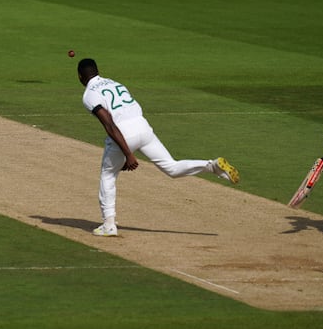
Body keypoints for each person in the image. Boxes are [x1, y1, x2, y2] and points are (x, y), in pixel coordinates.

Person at [77, 58, 240, 237]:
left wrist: (128, 154)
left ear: (80, 76)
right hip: (143, 126)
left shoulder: (89, 95)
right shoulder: (116, 83)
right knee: (172, 167)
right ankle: (212, 165)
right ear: (97, 70)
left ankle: (109, 225)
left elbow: (109, 125)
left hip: (122, 132)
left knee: (108, 175)